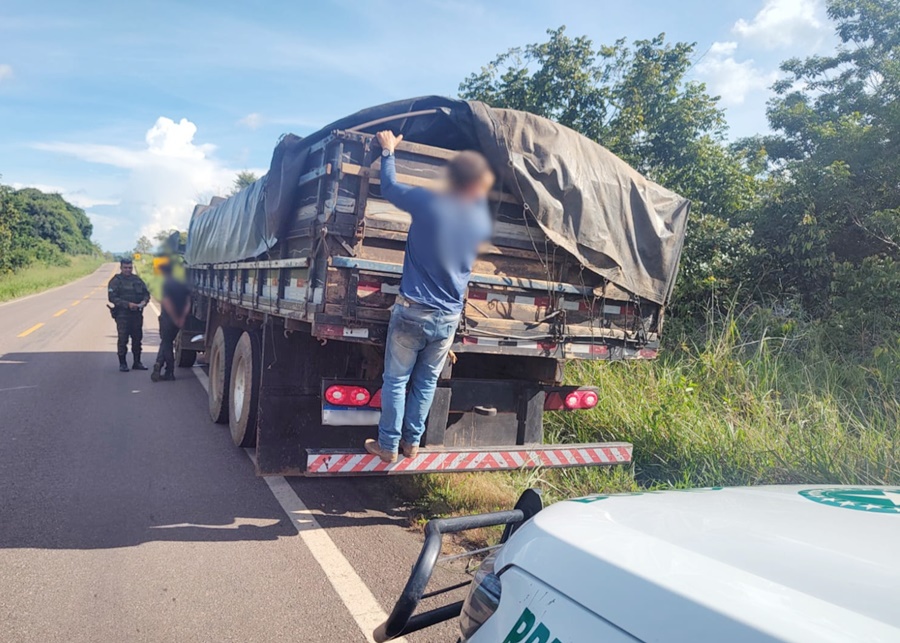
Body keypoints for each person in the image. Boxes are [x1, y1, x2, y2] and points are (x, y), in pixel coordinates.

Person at [364, 131, 494, 463]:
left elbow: (389, 188)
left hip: (413, 311)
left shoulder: (428, 202)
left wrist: (389, 151)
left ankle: (388, 446)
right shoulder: (479, 220)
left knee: (396, 380)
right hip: (448, 317)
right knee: (426, 383)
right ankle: (412, 443)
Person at [151, 262, 191, 383]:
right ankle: (162, 366)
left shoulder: (166, 284)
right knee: (167, 342)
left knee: (166, 343)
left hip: (168, 318)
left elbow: (166, 302)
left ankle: (167, 370)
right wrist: (182, 317)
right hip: (179, 319)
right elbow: (188, 302)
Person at [108, 258, 150, 372]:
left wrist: (143, 302)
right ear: (121, 268)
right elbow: (112, 297)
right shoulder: (116, 281)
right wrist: (127, 304)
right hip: (122, 315)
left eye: (130, 267)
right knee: (123, 339)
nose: (128, 270)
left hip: (136, 315)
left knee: (137, 339)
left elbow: (146, 294)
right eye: (125, 268)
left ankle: (137, 362)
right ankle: (123, 363)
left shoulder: (137, 280)